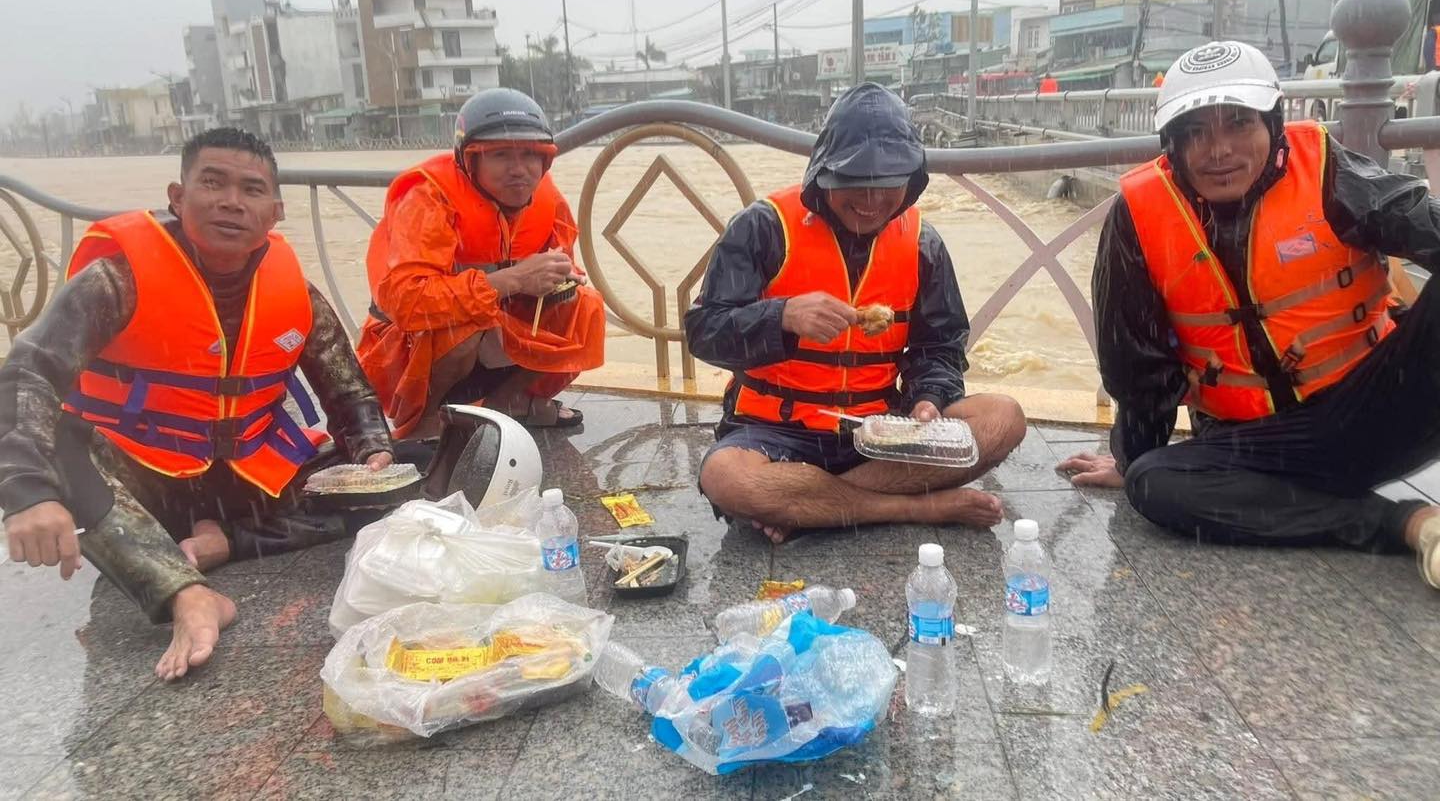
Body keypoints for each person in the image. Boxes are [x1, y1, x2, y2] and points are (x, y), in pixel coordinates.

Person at [0, 128, 395, 679]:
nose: (232, 201)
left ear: (275, 211)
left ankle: (223, 544)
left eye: (252, 190)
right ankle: (187, 594)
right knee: (61, 447)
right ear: (177, 197)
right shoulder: (115, 280)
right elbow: (27, 372)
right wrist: (26, 494)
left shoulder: (294, 291)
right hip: (143, 486)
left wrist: (373, 452)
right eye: (213, 183)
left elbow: (349, 393)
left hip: (246, 487)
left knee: (402, 478)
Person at [1056, 41, 1440, 589]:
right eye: (1196, 132)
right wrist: (1132, 457)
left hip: (1377, 409)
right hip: (1258, 444)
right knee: (1154, 484)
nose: (1219, 151)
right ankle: (1405, 523)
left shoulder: (1332, 174)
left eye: (1239, 124)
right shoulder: (1139, 215)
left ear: (1273, 124)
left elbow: (1425, 222)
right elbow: (1135, 361)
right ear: (1173, 144)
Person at [687, 83, 1027, 544]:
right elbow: (704, 332)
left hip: (877, 434)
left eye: (887, 185)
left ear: (911, 179)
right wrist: (781, 316)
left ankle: (812, 507)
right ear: (823, 173)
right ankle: (913, 509)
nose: (870, 201)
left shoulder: (924, 243)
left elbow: (939, 347)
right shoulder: (762, 227)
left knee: (1003, 418)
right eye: (854, 183)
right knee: (726, 476)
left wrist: (930, 396)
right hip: (774, 433)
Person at [357, 88, 606, 439]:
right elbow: (407, 303)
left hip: (496, 326)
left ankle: (511, 402)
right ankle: (425, 422)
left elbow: (563, 267)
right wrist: (512, 279)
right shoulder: (428, 198)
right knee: (463, 324)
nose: (519, 170)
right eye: (501, 155)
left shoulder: (547, 199)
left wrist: (558, 282)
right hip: (408, 347)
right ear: (469, 160)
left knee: (584, 308)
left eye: (531, 156)